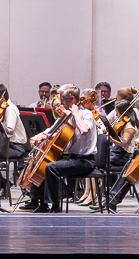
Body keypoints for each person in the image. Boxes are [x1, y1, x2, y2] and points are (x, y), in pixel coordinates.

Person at [26, 85, 97, 213]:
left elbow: (84, 130)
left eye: (63, 99)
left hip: (86, 161)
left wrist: (75, 114)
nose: (62, 102)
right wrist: (40, 136)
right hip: (72, 159)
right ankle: (41, 204)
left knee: (51, 167)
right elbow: (52, 131)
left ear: (72, 99)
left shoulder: (85, 114)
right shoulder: (66, 116)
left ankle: (55, 205)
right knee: (41, 163)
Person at [0, 84, 28, 160]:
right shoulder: (0, 109)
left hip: (16, 146)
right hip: (6, 144)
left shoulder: (10, 109)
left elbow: (10, 131)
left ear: (2, 99)